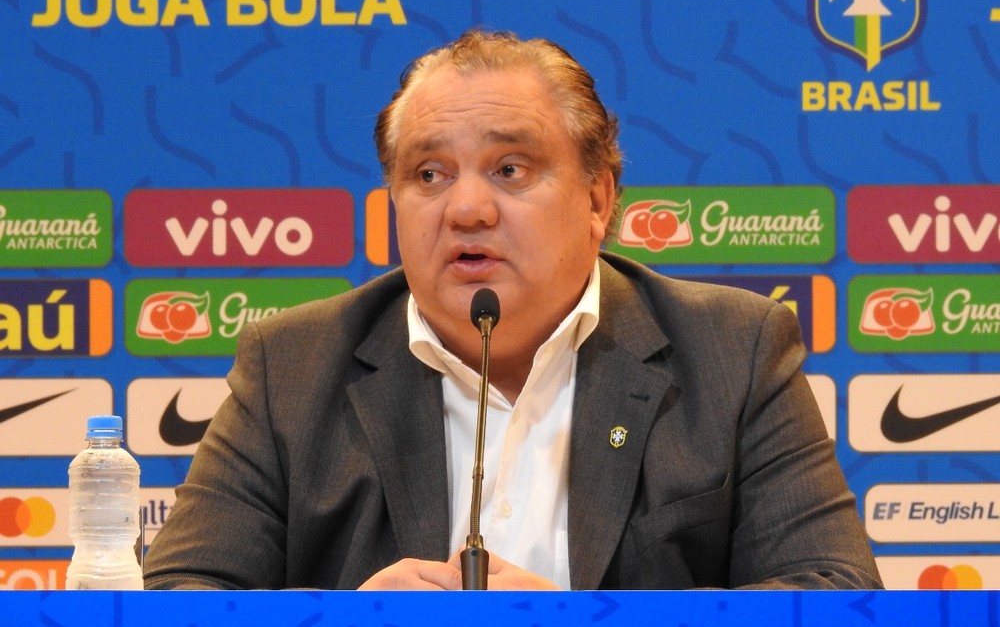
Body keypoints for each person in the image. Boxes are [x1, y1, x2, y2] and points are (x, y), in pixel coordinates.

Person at [143, 29, 883, 590]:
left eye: (510, 169)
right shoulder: (292, 366)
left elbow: (833, 595)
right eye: (429, 174)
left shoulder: (732, 350)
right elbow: (180, 597)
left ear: (597, 199)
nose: (467, 208)